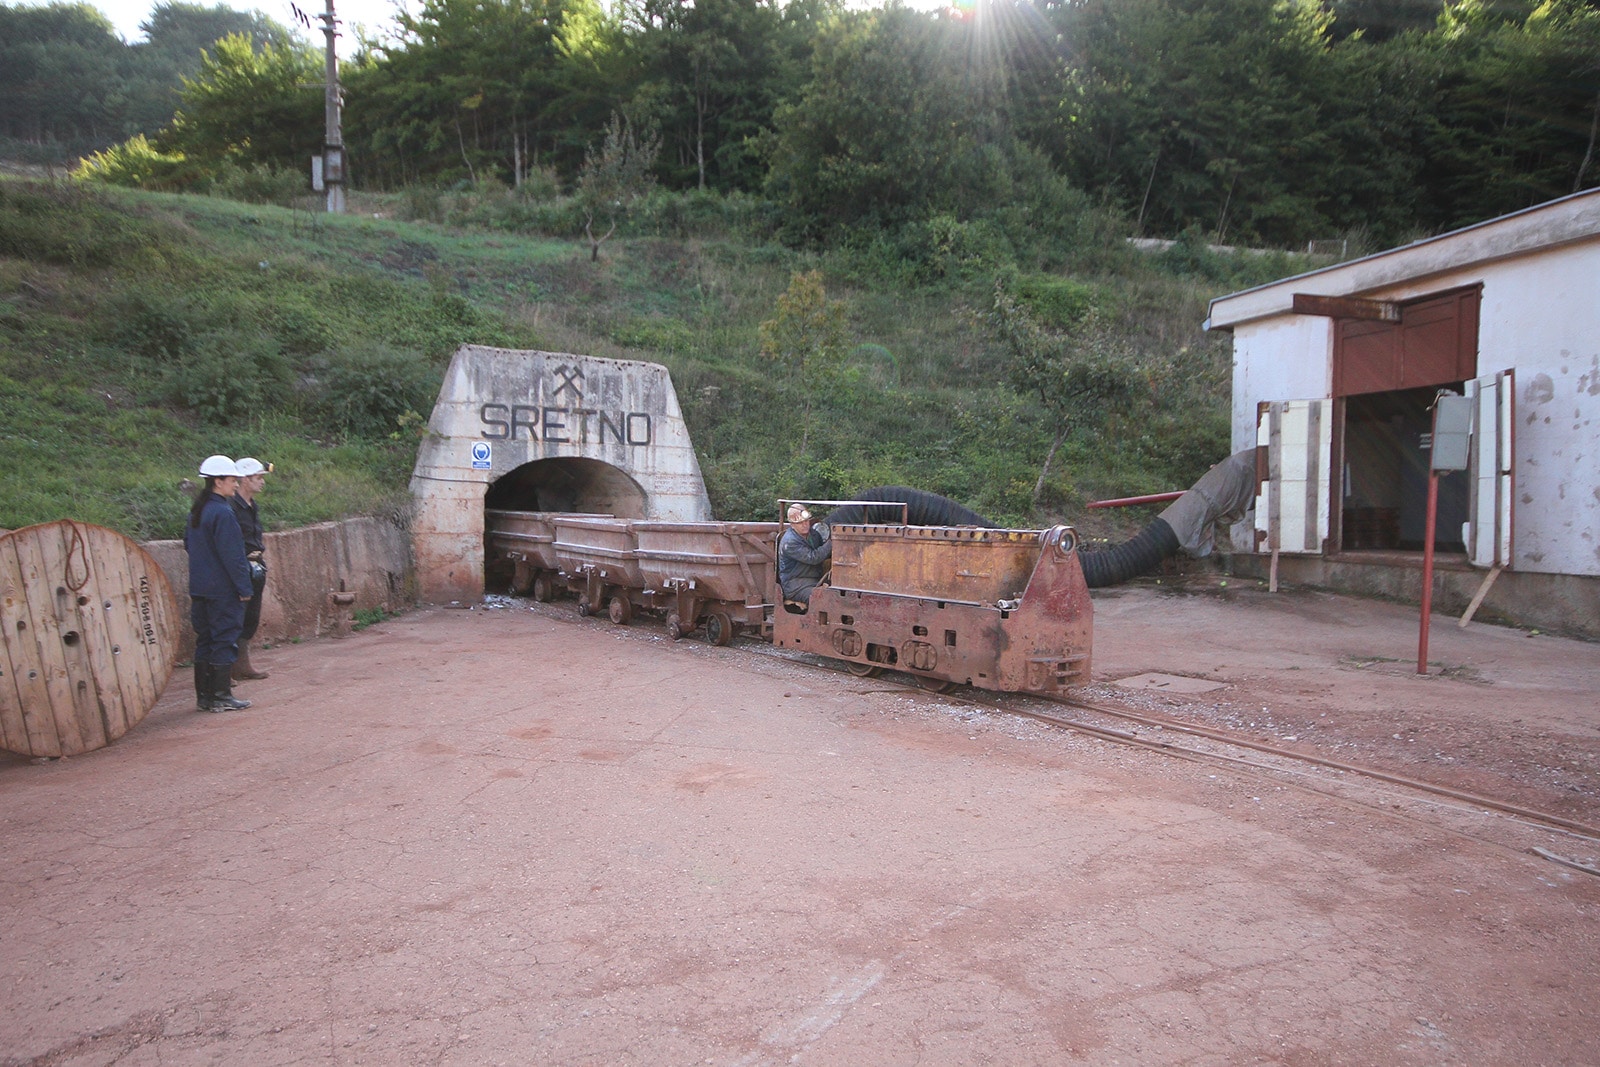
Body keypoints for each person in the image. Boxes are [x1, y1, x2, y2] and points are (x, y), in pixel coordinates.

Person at [184, 455, 254, 713]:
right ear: (218, 481)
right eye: (232, 480)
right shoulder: (223, 512)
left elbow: (189, 545)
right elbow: (233, 556)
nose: (235, 484)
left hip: (200, 587)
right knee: (224, 639)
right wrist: (244, 588)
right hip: (222, 589)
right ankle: (221, 695)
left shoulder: (198, 510)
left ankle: (205, 697)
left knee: (205, 640)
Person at [230, 457, 272, 682]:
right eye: (258, 477)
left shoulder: (252, 506)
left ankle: (242, 665)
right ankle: (225, 670)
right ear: (244, 479)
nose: (262, 482)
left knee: (251, 617)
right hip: (240, 566)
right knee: (234, 617)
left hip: (256, 565)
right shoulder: (231, 507)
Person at [778, 503, 832, 607]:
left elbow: (824, 552)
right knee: (824, 599)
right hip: (796, 586)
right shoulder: (790, 542)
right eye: (800, 523)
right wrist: (832, 542)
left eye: (806, 521)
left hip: (815, 580)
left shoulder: (814, 535)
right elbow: (813, 558)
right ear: (792, 524)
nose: (805, 525)